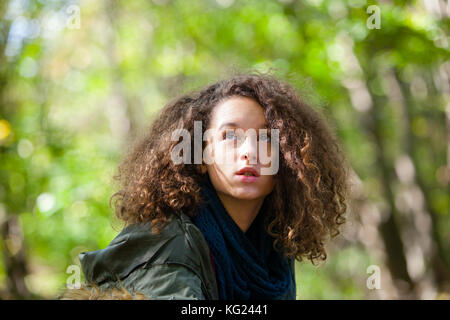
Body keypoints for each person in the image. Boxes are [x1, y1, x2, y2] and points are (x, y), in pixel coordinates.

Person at [61, 72, 350, 300]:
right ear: (201, 157)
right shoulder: (169, 244)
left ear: (287, 161)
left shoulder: (273, 249)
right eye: (230, 136)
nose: (249, 151)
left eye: (266, 138)